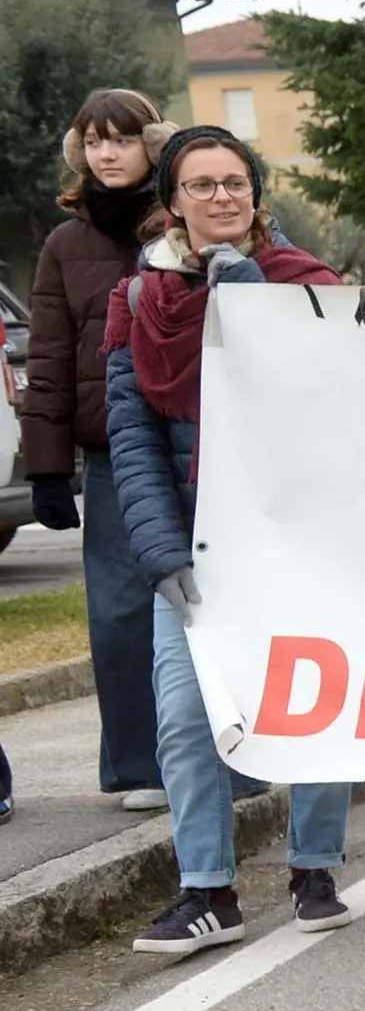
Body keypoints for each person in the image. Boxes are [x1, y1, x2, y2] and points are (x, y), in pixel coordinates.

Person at [108, 126, 357, 955]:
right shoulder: (138, 302)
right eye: (201, 184)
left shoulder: (305, 284)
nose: (221, 197)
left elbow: (336, 406)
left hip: (299, 539)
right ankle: (207, 890)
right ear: (172, 202)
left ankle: (314, 868)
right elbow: (132, 439)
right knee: (184, 717)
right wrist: (160, 550)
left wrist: (250, 301)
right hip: (193, 547)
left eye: (235, 182)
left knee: (314, 704)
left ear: (257, 195)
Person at [21, 89, 173, 811]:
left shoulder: (180, 224)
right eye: (93, 139)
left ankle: (225, 757)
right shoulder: (64, 245)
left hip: (196, 439)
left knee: (203, 599)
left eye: (122, 138)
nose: (106, 152)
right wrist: (47, 467)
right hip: (110, 451)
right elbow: (48, 359)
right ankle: (140, 765)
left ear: (154, 143)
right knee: (118, 610)